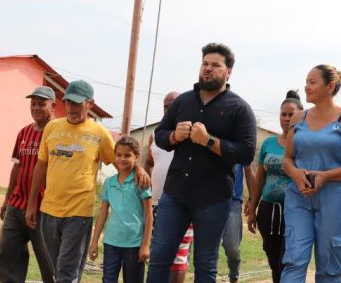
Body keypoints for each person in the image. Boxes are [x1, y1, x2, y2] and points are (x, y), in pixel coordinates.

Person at [147, 43, 257, 283]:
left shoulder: (240, 108)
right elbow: (160, 134)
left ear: (228, 72)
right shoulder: (182, 102)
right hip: (175, 195)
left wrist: (208, 141)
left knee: (205, 265)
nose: (208, 69)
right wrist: (174, 136)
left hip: (213, 198)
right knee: (159, 258)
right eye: (205, 64)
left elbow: (247, 153)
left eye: (216, 65)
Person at [25, 80, 149, 283]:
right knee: (57, 271)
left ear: (90, 104)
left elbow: (121, 160)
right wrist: (32, 203)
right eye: (68, 103)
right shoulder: (52, 128)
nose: (71, 108)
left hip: (78, 213)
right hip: (49, 211)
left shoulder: (99, 134)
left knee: (67, 273)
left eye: (77, 103)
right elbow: (40, 166)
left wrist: (139, 167)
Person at [281, 65, 341, 283]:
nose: (306, 87)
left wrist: (325, 176)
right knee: (294, 258)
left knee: (330, 264)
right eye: (306, 81)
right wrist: (295, 173)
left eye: (312, 82)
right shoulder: (298, 118)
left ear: (330, 86)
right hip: (298, 196)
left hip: (334, 198)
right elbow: (287, 158)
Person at [0, 86, 56, 283]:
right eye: (33, 103)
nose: (36, 107)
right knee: (6, 253)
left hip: (44, 209)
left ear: (53, 106)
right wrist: (7, 199)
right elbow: (17, 168)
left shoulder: (57, 134)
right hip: (17, 205)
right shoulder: (24, 133)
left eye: (42, 103)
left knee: (49, 262)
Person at [247, 90, 303, 283]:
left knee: (287, 259)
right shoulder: (268, 143)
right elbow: (260, 178)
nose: (287, 118)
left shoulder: (305, 143)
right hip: (268, 210)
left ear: (300, 115)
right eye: (283, 114)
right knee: (272, 259)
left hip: (295, 211)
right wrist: (252, 209)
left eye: (291, 114)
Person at [144, 91, 193, 283]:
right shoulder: (155, 135)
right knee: (157, 254)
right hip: (155, 205)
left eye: (173, 105)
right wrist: (146, 180)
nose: (168, 109)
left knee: (178, 257)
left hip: (182, 204)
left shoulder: (191, 135)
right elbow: (148, 162)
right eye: (166, 105)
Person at [89, 137, 153, 283]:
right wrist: (94, 242)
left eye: (127, 155)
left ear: (136, 157)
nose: (122, 159)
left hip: (134, 244)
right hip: (111, 242)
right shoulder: (109, 183)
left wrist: (145, 245)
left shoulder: (141, 181)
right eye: (118, 155)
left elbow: (149, 216)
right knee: (108, 280)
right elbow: (102, 214)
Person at [221, 163, 255, 283]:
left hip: (233, 203)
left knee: (233, 249)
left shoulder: (240, 144)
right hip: (210, 201)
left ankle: (234, 276)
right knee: (208, 250)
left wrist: (252, 199)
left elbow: (249, 172)